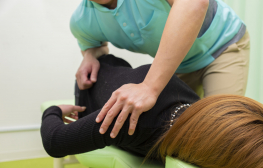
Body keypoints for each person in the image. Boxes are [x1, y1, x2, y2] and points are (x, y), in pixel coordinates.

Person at [41, 55, 263, 168]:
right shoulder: (131, 121)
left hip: (121, 71)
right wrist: (53, 111)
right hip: (89, 86)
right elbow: (55, 141)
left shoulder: (200, 113)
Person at [70, 0, 250, 138]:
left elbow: (194, 2)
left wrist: (149, 87)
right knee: (174, 134)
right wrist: (90, 55)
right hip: (177, 65)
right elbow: (94, 45)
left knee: (222, 132)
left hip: (222, 46)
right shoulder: (83, 21)